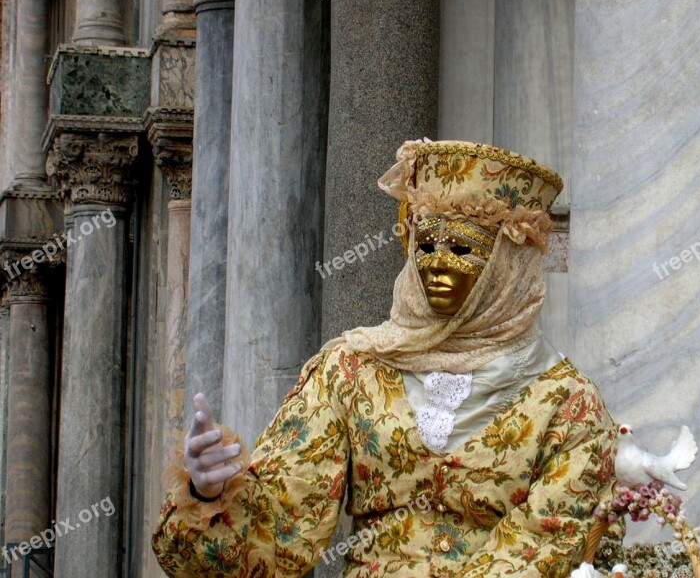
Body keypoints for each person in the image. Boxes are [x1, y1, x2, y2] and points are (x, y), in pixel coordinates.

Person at [152, 139, 619, 578]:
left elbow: (557, 543)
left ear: (507, 262)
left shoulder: (568, 402)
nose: (436, 263)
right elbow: (281, 532)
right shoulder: (352, 370)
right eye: (425, 245)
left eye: (461, 248)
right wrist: (211, 494)